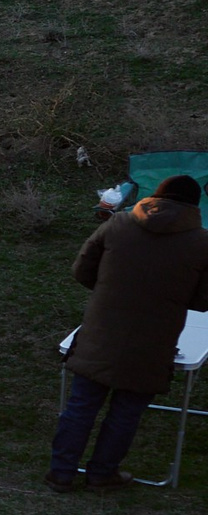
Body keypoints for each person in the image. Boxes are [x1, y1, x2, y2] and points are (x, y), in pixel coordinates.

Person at [49, 175, 208, 493]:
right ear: (194, 206)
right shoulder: (202, 242)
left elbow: (81, 270)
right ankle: (101, 474)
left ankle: (61, 473)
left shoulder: (118, 224)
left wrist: (111, 292)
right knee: (126, 412)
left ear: (156, 196)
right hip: (154, 340)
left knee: (81, 405)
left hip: (101, 330)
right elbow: (203, 301)